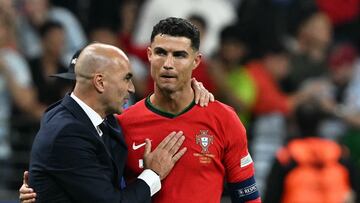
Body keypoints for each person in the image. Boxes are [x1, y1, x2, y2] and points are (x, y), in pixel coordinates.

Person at [19, 44, 214, 202]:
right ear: (100, 82)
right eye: (126, 79)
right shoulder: (67, 133)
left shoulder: (101, 120)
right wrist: (153, 173)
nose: (131, 88)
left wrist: (190, 91)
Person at [117, 17, 260, 203]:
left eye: (179, 55)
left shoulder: (224, 119)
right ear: (149, 55)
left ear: (196, 60)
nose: (168, 63)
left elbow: (247, 197)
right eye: (161, 53)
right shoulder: (124, 123)